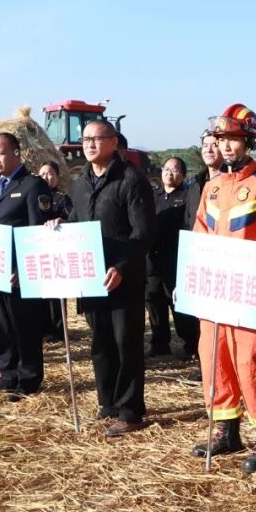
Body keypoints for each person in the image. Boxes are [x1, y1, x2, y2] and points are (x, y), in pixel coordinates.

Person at [190, 104, 256, 473]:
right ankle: (226, 431)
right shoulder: (212, 187)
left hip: (251, 294)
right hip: (215, 293)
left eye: (233, 139)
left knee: (254, 362)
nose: (226, 146)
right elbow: (200, 234)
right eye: (221, 139)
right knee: (214, 358)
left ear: (249, 142)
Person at [57, 119, 154, 435]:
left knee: (126, 343)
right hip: (91, 276)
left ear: (113, 142)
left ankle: (130, 412)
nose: (89, 144)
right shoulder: (81, 181)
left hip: (123, 278)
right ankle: (108, 402)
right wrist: (58, 226)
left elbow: (143, 233)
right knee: (101, 344)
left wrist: (122, 267)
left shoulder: (131, 180)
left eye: (96, 139)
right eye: (85, 139)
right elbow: (76, 220)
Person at [0, 132, 52, 402]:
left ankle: (28, 379)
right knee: (1, 325)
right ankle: (7, 374)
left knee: (25, 326)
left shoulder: (33, 185)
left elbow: (37, 230)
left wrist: (24, 268)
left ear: (16, 153)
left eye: (0, 153)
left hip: (19, 274)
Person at [177, 130, 222, 377]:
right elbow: (189, 223)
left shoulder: (233, 180)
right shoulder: (195, 184)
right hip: (200, 258)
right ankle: (206, 365)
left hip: (225, 260)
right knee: (202, 317)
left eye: (214, 144)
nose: (209, 150)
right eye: (205, 145)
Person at [145, 156, 190, 357]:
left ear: (183, 175)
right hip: (153, 259)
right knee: (154, 301)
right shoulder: (153, 196)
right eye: (166, 169)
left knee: (178, 303)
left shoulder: (186, 197)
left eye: (175, 170)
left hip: (175, 259)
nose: (169, 173)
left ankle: (189, 344)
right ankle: (160, 344)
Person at [38, 160, 74, 342]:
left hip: (56, 251)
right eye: (43, 174)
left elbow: (73, 220)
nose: (47, 177)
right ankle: (42, 328)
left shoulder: (61, 198)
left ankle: (58, 331)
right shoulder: (34, 197)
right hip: (38, 251)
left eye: (51, 173)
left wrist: (62, 222)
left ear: (58, 177)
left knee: (56, 293)